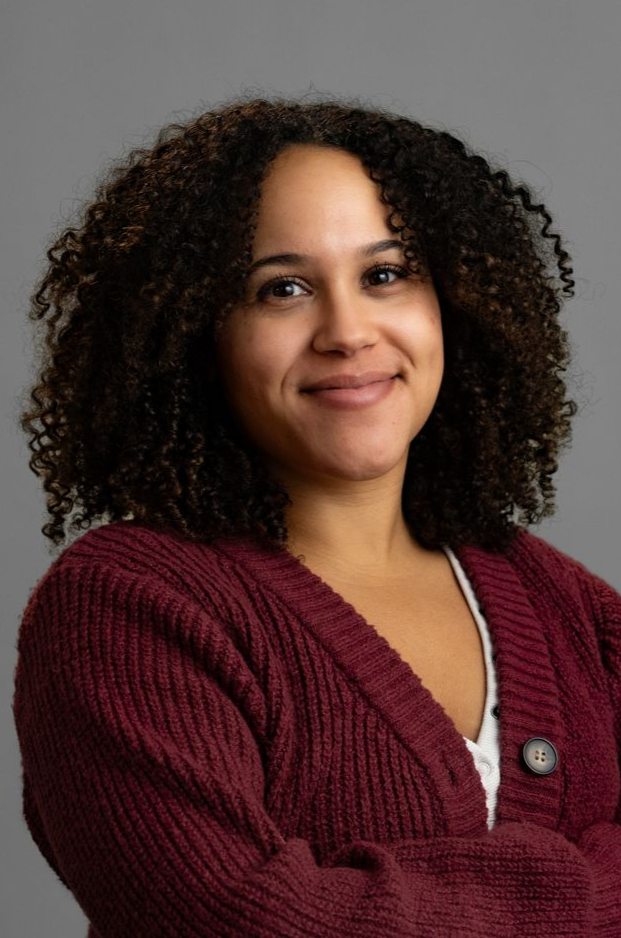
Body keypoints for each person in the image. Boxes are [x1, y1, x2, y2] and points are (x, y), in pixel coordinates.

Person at [12, 94, 621, 937]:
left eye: (385, 275)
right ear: (195, 335)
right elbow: (236, 920)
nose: (347, 331)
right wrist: (589, 896)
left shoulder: (566, 605)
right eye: (283, 289)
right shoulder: (126, 608)